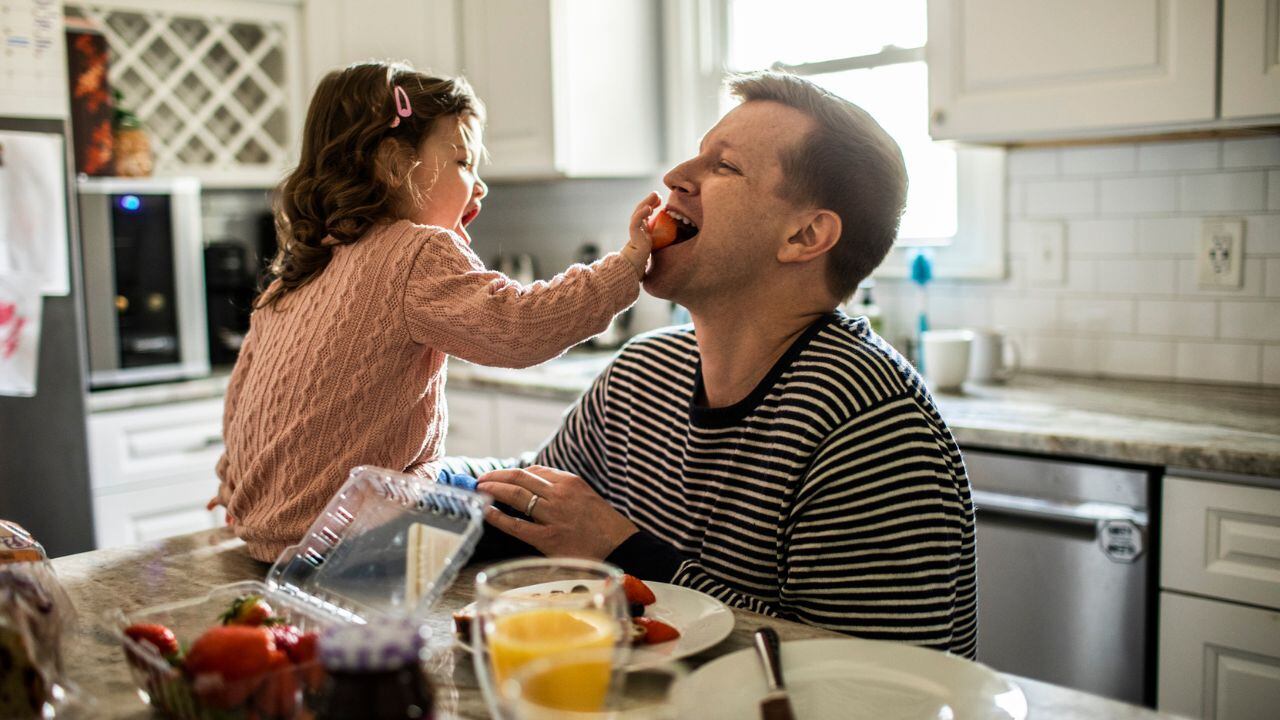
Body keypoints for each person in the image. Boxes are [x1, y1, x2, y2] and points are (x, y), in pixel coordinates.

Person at [444, 71, 978, 657]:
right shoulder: (645, 372)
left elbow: (858, 674)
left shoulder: (873, 429)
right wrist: (402, 479)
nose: (674, 178)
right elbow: (538, 504)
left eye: (724, 166)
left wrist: (620, 550)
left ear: (804, 235)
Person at [211, 61, 658, 562]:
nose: (479, 185)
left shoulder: (293, 275)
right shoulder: (414, 252)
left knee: (483, 476)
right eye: (463, 162)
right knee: (542, 513)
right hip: (366, 533)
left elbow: (241, 404)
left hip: (272, 538)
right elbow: (519, 327)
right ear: (392, 163)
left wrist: (237, 485)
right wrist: (626, 267)